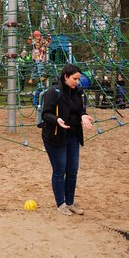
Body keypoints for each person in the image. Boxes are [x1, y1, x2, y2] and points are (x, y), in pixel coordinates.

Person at [41, 63, 94, 215]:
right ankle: (61, 204)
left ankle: (70, 202)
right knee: (60, 170)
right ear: (66, 77)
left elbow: (80, 109)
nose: (77, 82)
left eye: (78, 79)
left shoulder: (77, 91)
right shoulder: (53, 92)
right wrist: (56, 119)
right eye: (74, 79)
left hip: (73, 135)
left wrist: (83, 115)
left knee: (72, 170)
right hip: (55, 136)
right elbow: (46, 114)